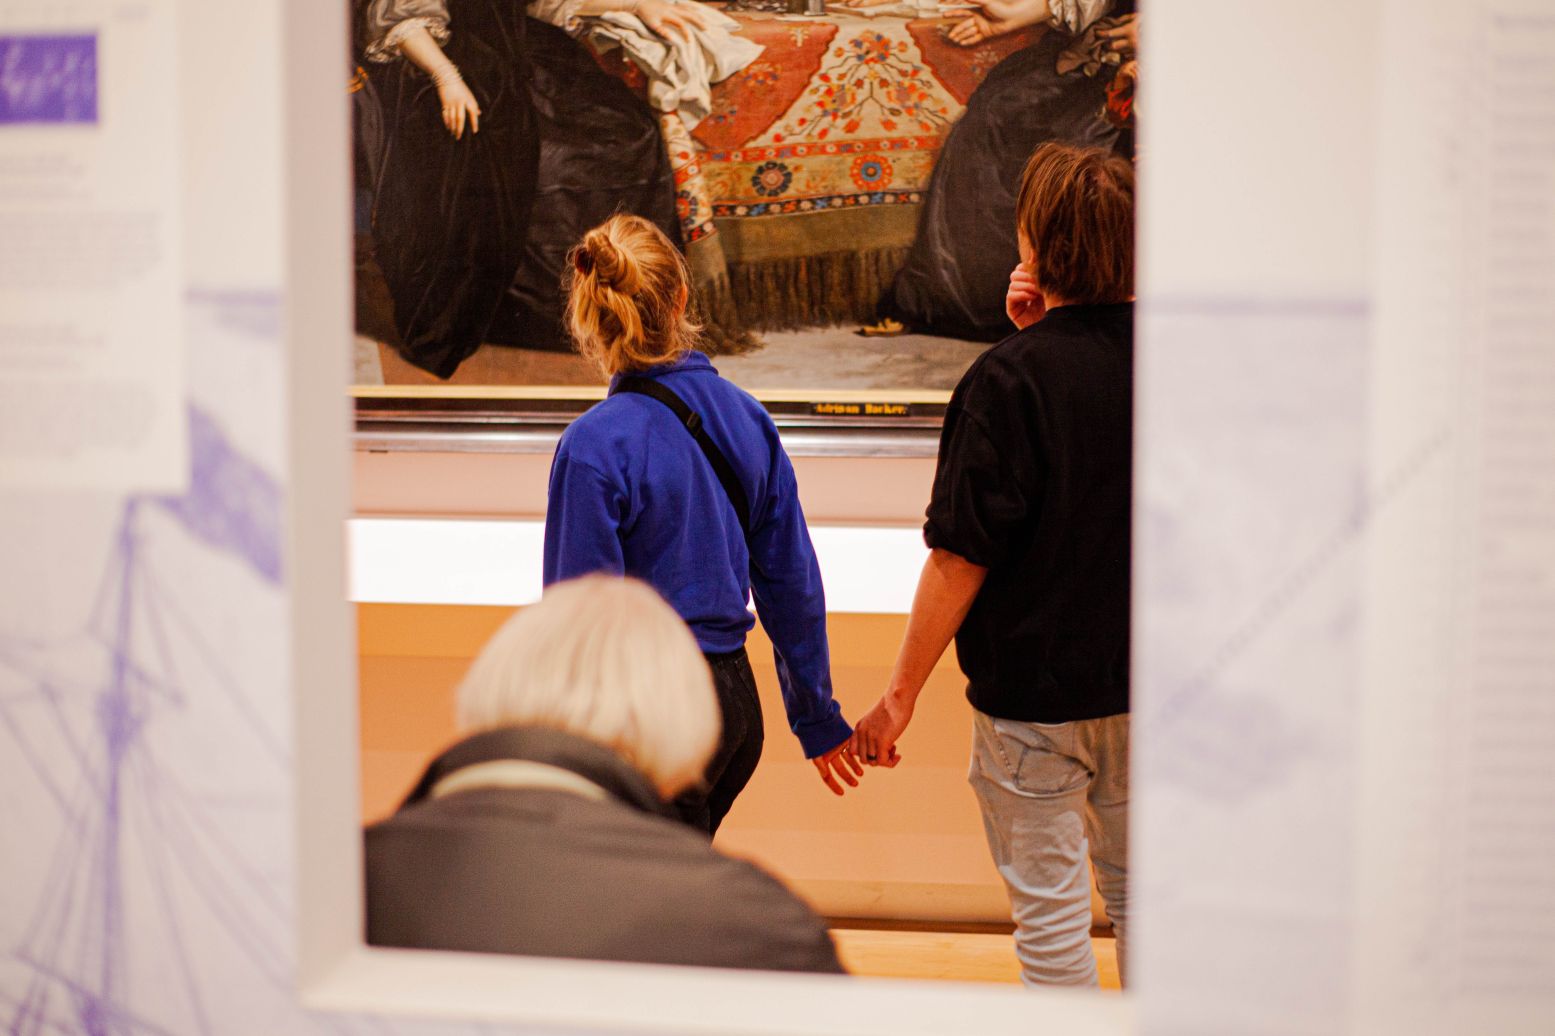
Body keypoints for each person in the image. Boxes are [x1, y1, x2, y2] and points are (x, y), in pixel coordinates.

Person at [851, 142, 1134, 988]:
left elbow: (961, 556)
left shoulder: (1005, 381)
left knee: (1051, 924)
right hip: (1153, 691)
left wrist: (899, 695)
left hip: (1033, 709)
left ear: (1037, 247)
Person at [543, 214, 861, 835]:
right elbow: (792, 582)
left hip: (656, 711)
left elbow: (579, 620)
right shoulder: (746, 417)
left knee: (639, 917)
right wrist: (816, 716)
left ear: (589, 316)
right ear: (682, 296)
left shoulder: (593, 446)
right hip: (736, 709)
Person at [365, 576, 847, 973]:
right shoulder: (760, 929)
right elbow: (792, 575)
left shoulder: (333, 885)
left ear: (487, 687)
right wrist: (816, 713)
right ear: (689, 739)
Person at [355, 0, 697, 376]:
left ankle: (627, 304)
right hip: (438, 64)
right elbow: (402, 20)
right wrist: (447, 79)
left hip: (520, 59)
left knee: (629, 133)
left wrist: (636, 5)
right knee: (541, 159)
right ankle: (549, 316)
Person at [878, 0, 1135, 342]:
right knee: (991, 113)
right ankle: (951, 300)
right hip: (1095, 55)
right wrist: (1011, 19)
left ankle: (1070, 308)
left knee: (1080, 154)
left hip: (1161, 71)